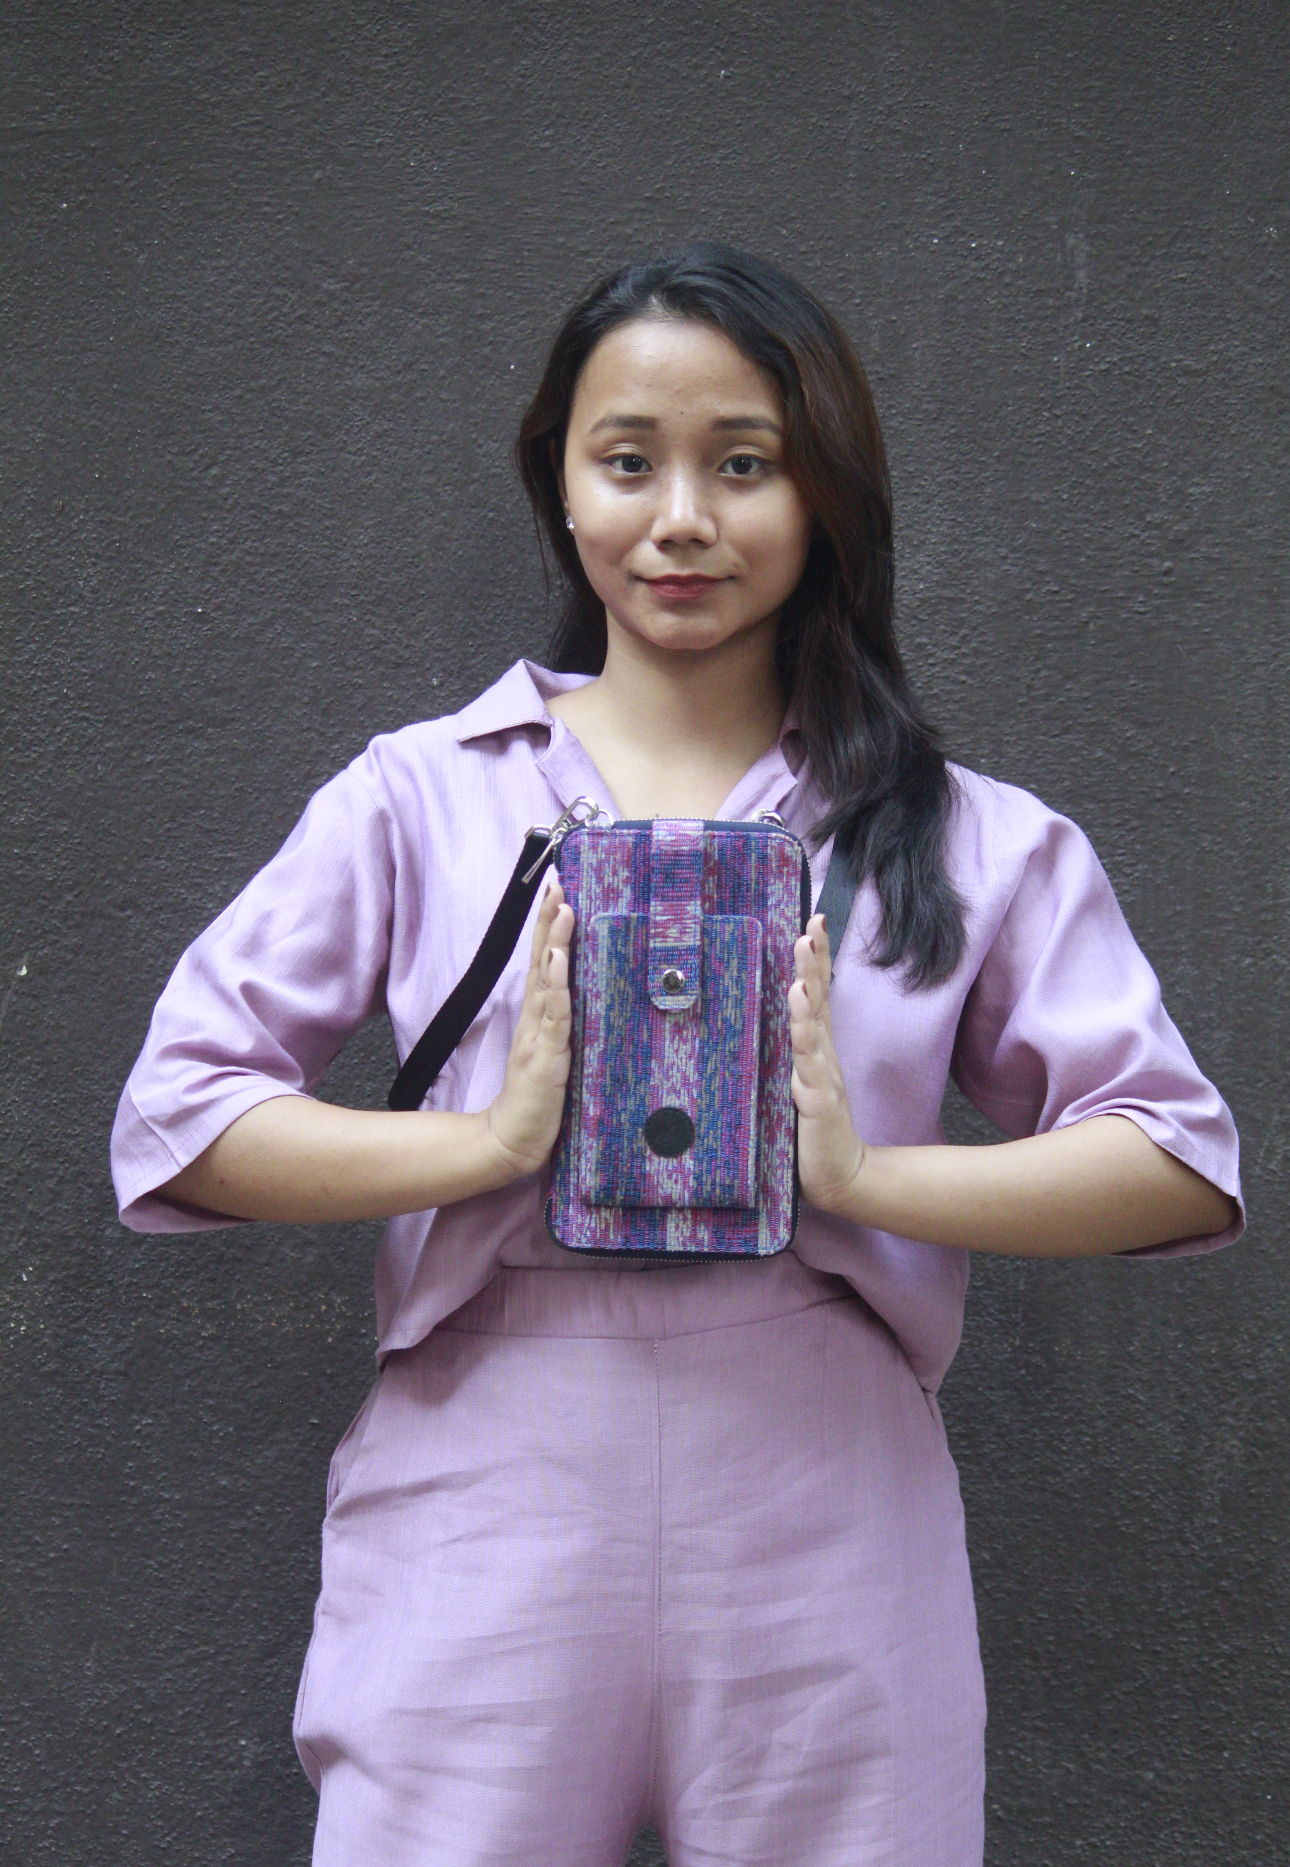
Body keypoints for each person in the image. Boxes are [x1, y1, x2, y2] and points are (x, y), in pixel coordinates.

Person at [111, 243, 1242, 1867]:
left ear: (823, 490)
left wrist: (864, 1176)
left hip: (827, 1490)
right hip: (482, 1478)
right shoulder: (418, 795)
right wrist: (487, 1144)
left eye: (744, 464)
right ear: (559, 484)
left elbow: (1173, 1158)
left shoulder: (961, 833)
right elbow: (180, 1115)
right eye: (627, 461)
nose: (681, 518)